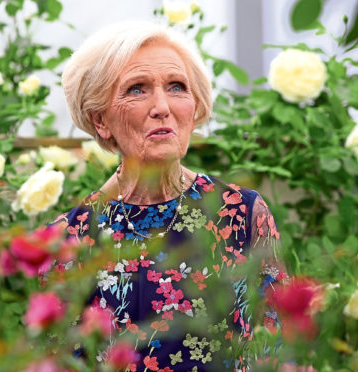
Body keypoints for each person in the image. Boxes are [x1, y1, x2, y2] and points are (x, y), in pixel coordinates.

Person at [53, 20, 284, 371]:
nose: (161, 106)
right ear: (100, 119)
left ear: (194, 107)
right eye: (137, 89)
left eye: (176, 87)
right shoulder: (70, 238)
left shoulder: (240, 214)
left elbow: (278, 349)